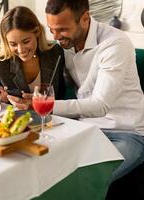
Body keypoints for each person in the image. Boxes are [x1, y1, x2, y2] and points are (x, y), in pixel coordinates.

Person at [43, 0, 144, 183]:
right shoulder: (64, 45)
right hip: (86, 128)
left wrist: (46, 106)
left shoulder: (115, 43)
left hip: (128, 133)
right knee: (45, 166)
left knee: (86, 179)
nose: (57, 37)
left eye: (62, 29)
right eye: (52, 29)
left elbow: (100, 105)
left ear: (84, 18)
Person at [0, 6, 66, 108]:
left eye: (26, 41)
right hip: (13, 121)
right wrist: (2, 101)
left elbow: (60, 94)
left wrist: (42, 101)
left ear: (37, 32)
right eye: (13, 44)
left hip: (49, 118)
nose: (20, 50)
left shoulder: (54, 53)